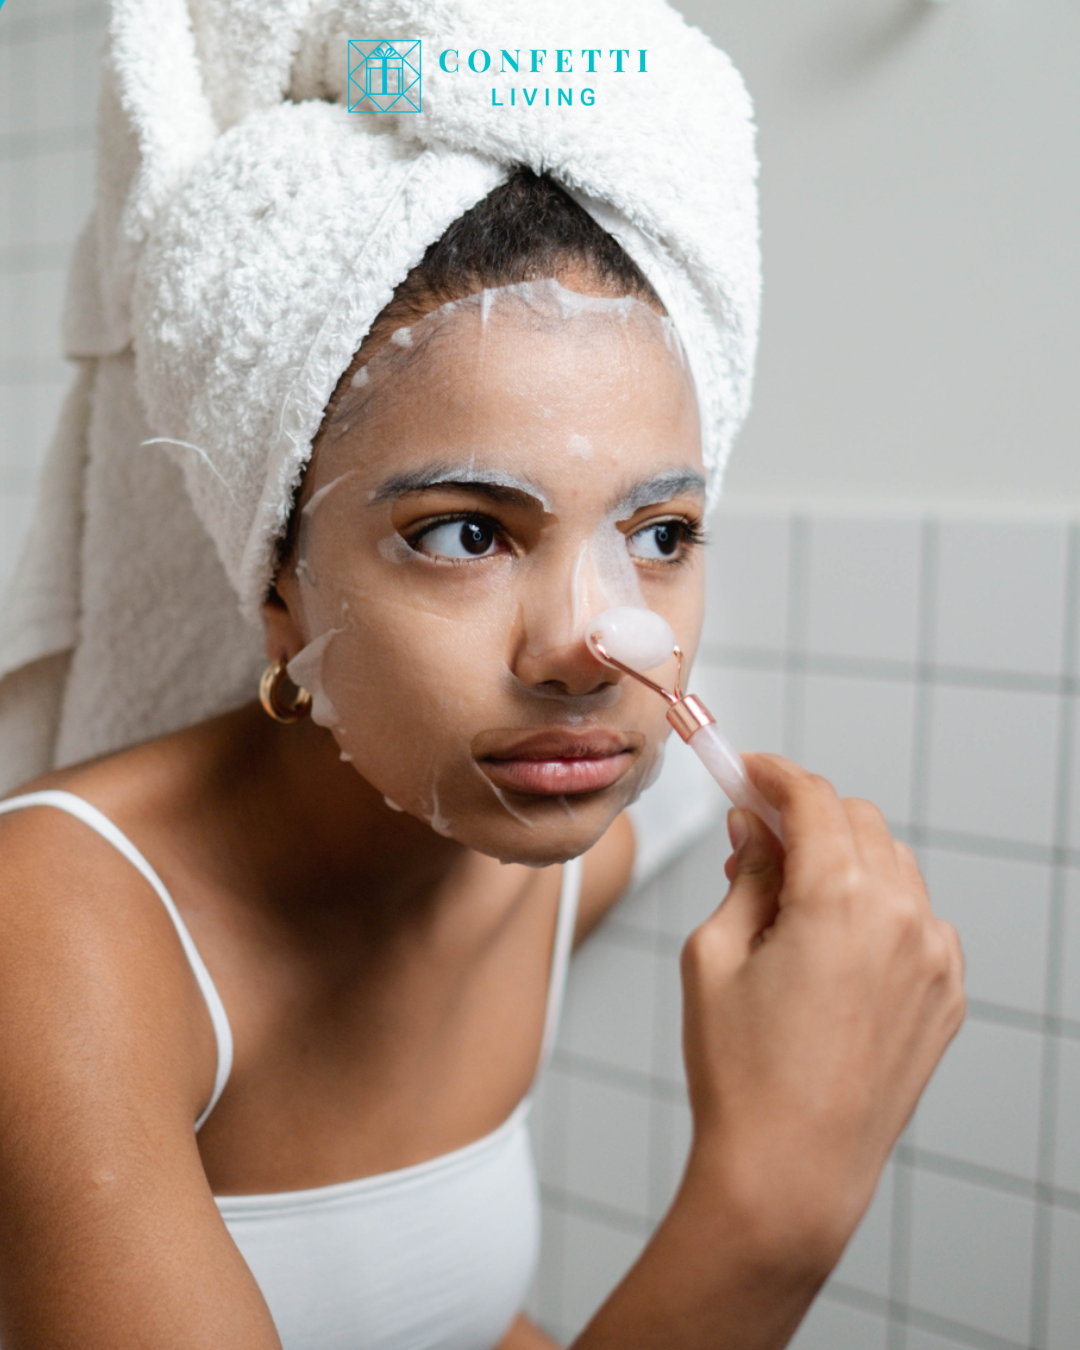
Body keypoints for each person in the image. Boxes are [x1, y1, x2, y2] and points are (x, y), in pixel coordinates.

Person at [0, 6, 965, 1349]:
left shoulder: (550, 860)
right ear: (277, 586)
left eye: (660, 534)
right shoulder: (50, 931)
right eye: (467, 531)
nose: (591, 644)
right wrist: (777, 1199)